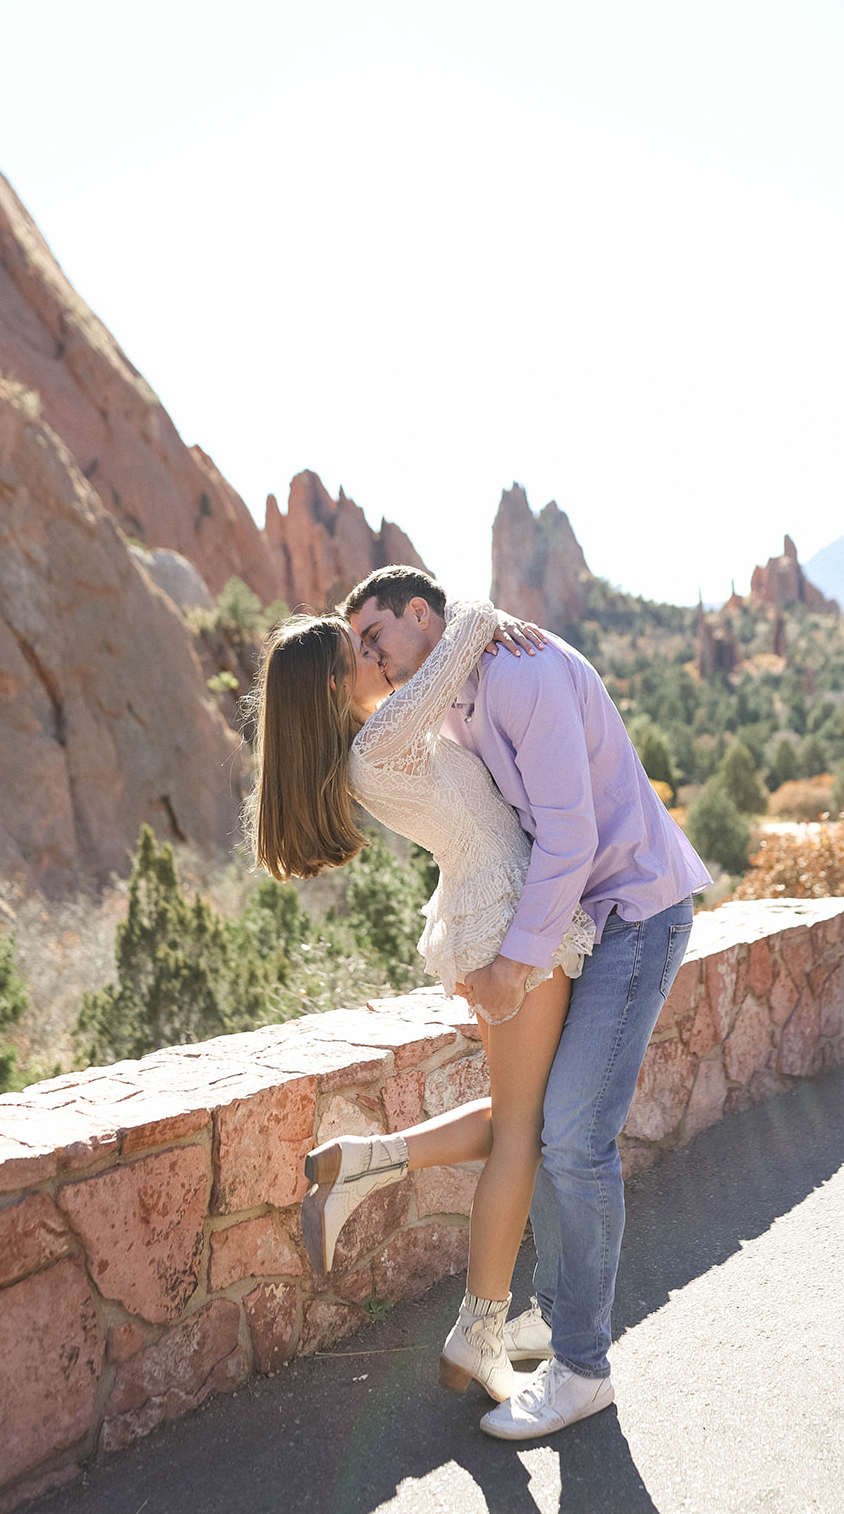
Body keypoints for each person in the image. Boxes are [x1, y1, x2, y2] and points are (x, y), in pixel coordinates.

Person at [344, 565, 710, 1442]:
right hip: (586, 918)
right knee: (546, 1124)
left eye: (374, 638)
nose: (371, 658)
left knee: (576, 1141)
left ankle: (583, 1369)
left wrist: (514, 962)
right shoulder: (460, 684)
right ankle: (555, 1316)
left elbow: (572, 834)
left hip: (632, 909)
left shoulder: (520, 672)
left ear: (421, 615)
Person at [248, 584, 595, 1405]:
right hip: (505, 916)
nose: (378, 658)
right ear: (334, 687)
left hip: (486, 910)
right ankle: (477, 1329)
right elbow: (467, 627)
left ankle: (363, 1164)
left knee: (522, 1119)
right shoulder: (385, 738)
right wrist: (482, 619)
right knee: (521, 1133)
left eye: (371, 646)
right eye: (359, 653)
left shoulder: (368, 745)